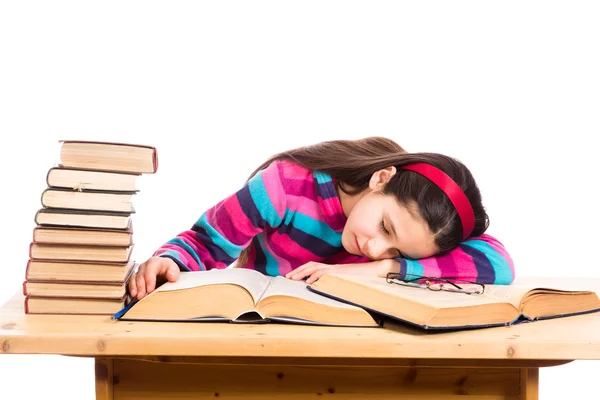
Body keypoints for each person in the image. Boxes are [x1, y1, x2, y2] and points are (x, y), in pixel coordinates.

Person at [129, 136, 514, 300]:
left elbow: (497, 263)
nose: (375, 249)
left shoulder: (414, 237)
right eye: (384, 227)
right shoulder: (285, 186)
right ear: (382, 178)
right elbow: (208, 242)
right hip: (265, 338)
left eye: (396, 249)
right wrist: (171, 261)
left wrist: (385, 269)